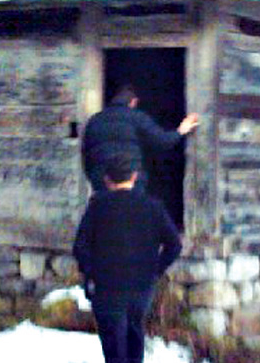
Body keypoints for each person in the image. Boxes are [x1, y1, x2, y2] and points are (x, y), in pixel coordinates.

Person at [73, 153, 182, 363]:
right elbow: (174, 245)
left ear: (107, 179)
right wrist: (155, 270)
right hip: (141, 287)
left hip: (107, 287)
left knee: (114, 347)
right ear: (134, 176)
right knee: (134, 337)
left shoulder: (97, 206)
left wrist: (92, 273)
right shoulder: (153, 207)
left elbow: (80, 248)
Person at [82, 84, 199, 193]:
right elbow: (162, 141)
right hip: (130, 180)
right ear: (134, 101)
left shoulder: (94, 121)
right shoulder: (136, 117)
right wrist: (180, 131)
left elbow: (85, 154)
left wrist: (95, 177)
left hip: (101, 180)